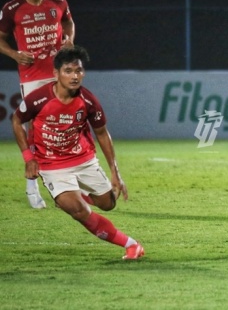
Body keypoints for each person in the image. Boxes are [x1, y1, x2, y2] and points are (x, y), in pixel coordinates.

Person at [11, 46, 144, 260]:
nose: (75, 76)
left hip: (84, 160)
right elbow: (17, 120)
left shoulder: (89, 101)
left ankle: (75, 194)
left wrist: (115, 172)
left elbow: (102, 133)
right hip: (52, 166)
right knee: (79, 211)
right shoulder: (38, 99)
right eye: (68, 71)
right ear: (56, 74)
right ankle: (131, 245)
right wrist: (29, 157)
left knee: (108, 204)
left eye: (79, 71)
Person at [0, 0, 75, 209]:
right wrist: (15, 54)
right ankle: (32, 186)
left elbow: (68, 23)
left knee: (66, 124)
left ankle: (67, 183)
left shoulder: (58, 2)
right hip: (32, 76)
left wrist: (69, 40)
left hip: (58, 72)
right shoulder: (12, 9)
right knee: (34, 128)